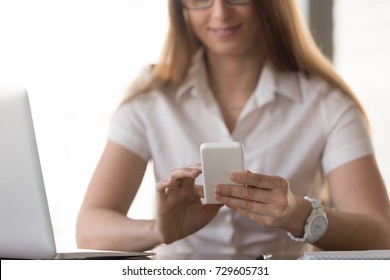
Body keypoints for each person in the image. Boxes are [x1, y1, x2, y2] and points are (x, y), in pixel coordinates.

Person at [76, 0, 390, 259]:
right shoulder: (151, 98)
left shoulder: (327, 104)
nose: (220, 13)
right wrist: (161, 230)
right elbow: (89, 229)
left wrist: (299, 214)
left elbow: (382, 234)